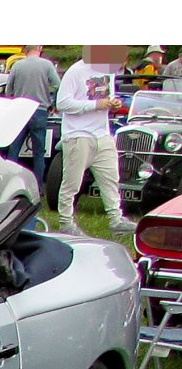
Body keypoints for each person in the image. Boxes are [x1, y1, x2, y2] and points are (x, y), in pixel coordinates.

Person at [56, 45, 135, 236]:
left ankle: (116, 219)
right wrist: (95, 105)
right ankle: (65, 221)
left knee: (110, 178)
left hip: (102, 133)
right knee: (72, 182)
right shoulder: (76, 71)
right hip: (78, 134)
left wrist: (113, 101)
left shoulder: (108, 71)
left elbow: (106, 95)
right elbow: (62, 103)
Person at [4, 46, 59, 191]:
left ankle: (9, 185)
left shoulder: (17, 65)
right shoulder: (47, 65)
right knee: (39, 153)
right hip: (39, 110)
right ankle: (37, 188)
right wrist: (52, 102)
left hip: (20, 110)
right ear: (39, 48)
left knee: (13, 150)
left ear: (25, 50)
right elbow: (57, 85)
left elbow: (9, 89)